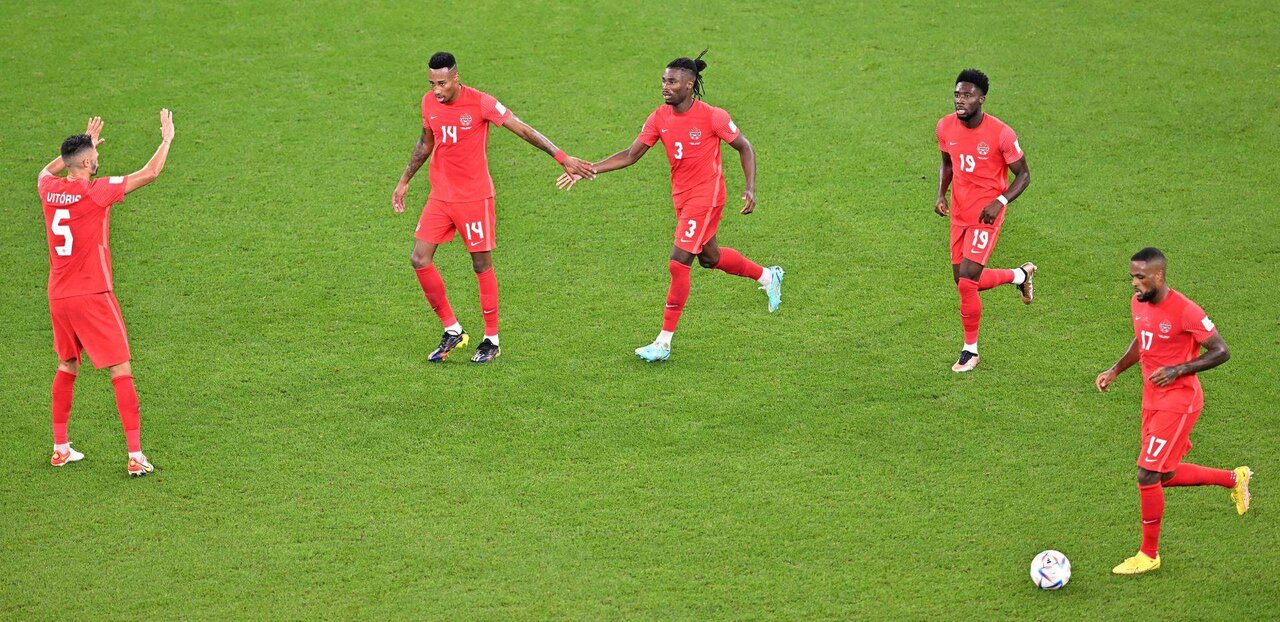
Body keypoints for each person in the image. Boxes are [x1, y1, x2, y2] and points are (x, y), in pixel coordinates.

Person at [557, 50, 782, 362]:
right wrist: (589, 168)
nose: (665, 86)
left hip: (706, 197)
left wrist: (750, 187)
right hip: (682, 197)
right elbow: (630, 154)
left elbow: (744, 147)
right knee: (709, 257)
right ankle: (769, 277)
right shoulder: (659, 117)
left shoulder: (713, 116)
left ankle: (663, 342)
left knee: (679, 262)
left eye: (672, 82)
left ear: (689, 86)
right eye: (663, 80)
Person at [392, 51, 596, 363]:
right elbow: (425, 143)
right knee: (419, 259)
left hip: (474, 199)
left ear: (456, 78)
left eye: (442, 83)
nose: (436, 90)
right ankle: (453, 330)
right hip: (440, 197)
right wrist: (405, 180)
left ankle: (492, 339)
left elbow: (523, 128)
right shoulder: (428, 103)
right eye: (432, 83)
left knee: (481, 265)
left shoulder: (482, 103)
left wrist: (562, 157)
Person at [1095, 247, 1252, 575]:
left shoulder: (1186, 311)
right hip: (1151, 399)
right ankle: (1234, 479)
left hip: (1178, 402)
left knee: (1146, 474)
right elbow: (1142, 341)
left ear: (1159, 276)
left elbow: (1221, 351)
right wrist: (1115, 370)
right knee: (1163, 475)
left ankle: (1149, 555)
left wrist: (1180, 369)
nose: (1134, 283)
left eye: (1140, 277)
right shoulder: (1138, 304)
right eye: (1132, 277)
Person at [39, 110, 175, 477]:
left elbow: (46, 171)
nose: (98, 158)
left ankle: (60, 448)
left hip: (59, 296)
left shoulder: (48, 188)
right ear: (85, 163)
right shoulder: (94, 192)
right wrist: (166, 140)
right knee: (120, 368)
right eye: (94, 156)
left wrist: (83, 142)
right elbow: (150, 173)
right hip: (93, 293)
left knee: (67, 364)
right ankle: (135, 455)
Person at [935, 68, 1034, 372]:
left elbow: (1024, 175)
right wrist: (941, 194)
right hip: (960, 213)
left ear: (981, 99)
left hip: (986, 215)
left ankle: (970, 351)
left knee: (966, 283)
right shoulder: (944, 127)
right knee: (963, 280)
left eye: (966, 95)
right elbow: (947, 164)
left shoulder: (1001, 133)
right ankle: (1020, 276)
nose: (959, 100)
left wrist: (1000, 201)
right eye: (956, 94)